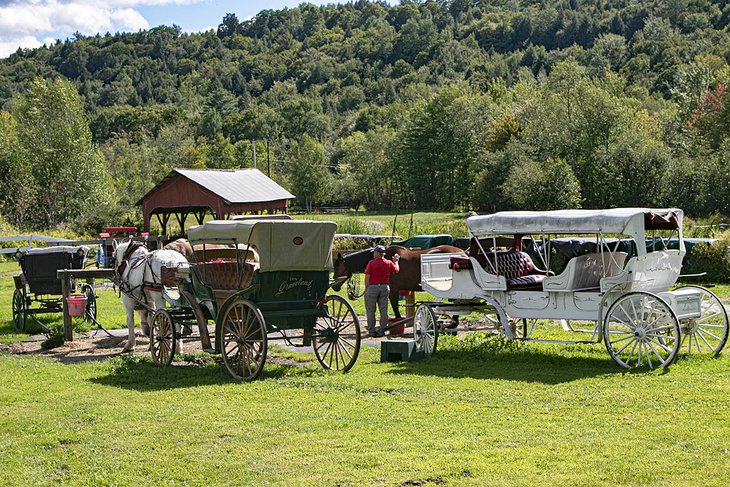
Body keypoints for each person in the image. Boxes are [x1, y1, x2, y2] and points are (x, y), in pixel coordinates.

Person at [363, 245, 400, 338]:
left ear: (378, 253)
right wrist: (396, 261)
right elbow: (396, 270)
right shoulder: (388, 263)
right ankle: (382, 330)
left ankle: (371, 330)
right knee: (383, 310)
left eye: (374, 253)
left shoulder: (371, 263)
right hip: (384, 287)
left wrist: (366, 288)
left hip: (372, 287)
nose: (373, 254)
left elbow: (367, 277)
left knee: (371, 311)